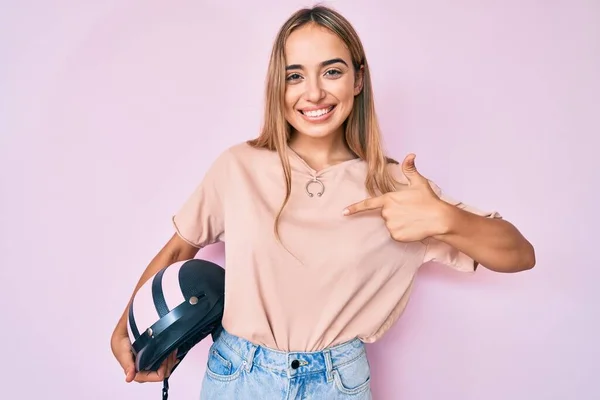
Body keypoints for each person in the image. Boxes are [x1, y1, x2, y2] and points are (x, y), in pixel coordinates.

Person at [110, 5, 536, 399]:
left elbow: (520, 254)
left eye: (331, 71)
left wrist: (446, 219)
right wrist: (128, 326)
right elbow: (180, 247)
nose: (312, 93)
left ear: (358, 79)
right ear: (279, 85)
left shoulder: (396, 185)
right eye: (295, 76)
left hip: (336, 382)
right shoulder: (238, 166)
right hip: (236, 376)